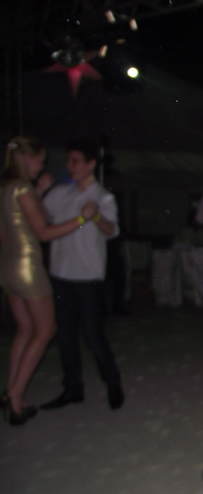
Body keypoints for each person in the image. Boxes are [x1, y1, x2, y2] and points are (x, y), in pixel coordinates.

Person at [0, 137, 95, 425]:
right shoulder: (22, 188)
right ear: (26, 159)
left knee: (25, 329)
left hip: (7, 266)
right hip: (27, 266)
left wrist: (39, 193)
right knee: (45, 330)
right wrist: (82, 219)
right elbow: (43, 233)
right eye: (40, 161)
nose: (41, 167)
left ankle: (11, 391)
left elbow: (6, 233)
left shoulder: (5, 188)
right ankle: (15, 395)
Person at [39, 138, 124, 411]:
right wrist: (39, 192)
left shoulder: (103, 197)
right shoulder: (60, 193)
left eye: (76, 161)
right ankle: (72, 388)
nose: (70, 166)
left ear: (91, 164)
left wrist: (96, 216)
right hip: (61, 273)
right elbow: (40, 218)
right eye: (69, 161)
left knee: (92, 335)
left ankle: (113, 382)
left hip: (88, 276)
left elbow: (111, 231)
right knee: (65, 335)